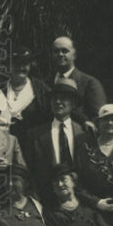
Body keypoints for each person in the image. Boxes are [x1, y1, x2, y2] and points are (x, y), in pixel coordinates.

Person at [23, 77, 89, 206]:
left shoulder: (84, 133)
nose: (58, 102)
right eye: (54, 98)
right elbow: (28, 171)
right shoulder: (35, 135)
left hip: (83, 202)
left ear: (73, 103)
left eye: (64, 98)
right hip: (46, 202)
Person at [50, 36, 106, 126]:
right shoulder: (47, 83)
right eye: (56, 51)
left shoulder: (90, 83)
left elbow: (99, 118)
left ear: (74, 55)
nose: (60, 54)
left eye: (65, 51)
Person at [4, 47, 50, 142]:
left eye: (25, 64)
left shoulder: (41, 89)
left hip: (33, 147)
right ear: (9, 66)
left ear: (30, 66)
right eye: (16, 64)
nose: (21, 68)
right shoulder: (0, 89)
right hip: (4, 145)